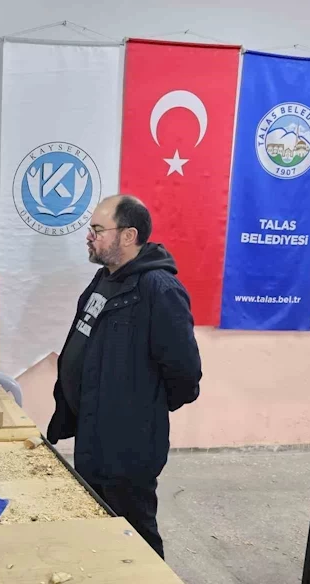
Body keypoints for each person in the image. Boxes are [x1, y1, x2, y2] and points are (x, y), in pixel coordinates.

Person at [46, 194, 202, 559]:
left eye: (98, 230)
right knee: (101, 526)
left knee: (135, 533)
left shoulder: (159, 289)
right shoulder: (104, 279)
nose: (90, 236)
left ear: (129, 235)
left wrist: (139, 406)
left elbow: (184, 373)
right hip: (92, 432)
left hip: (128, 443)